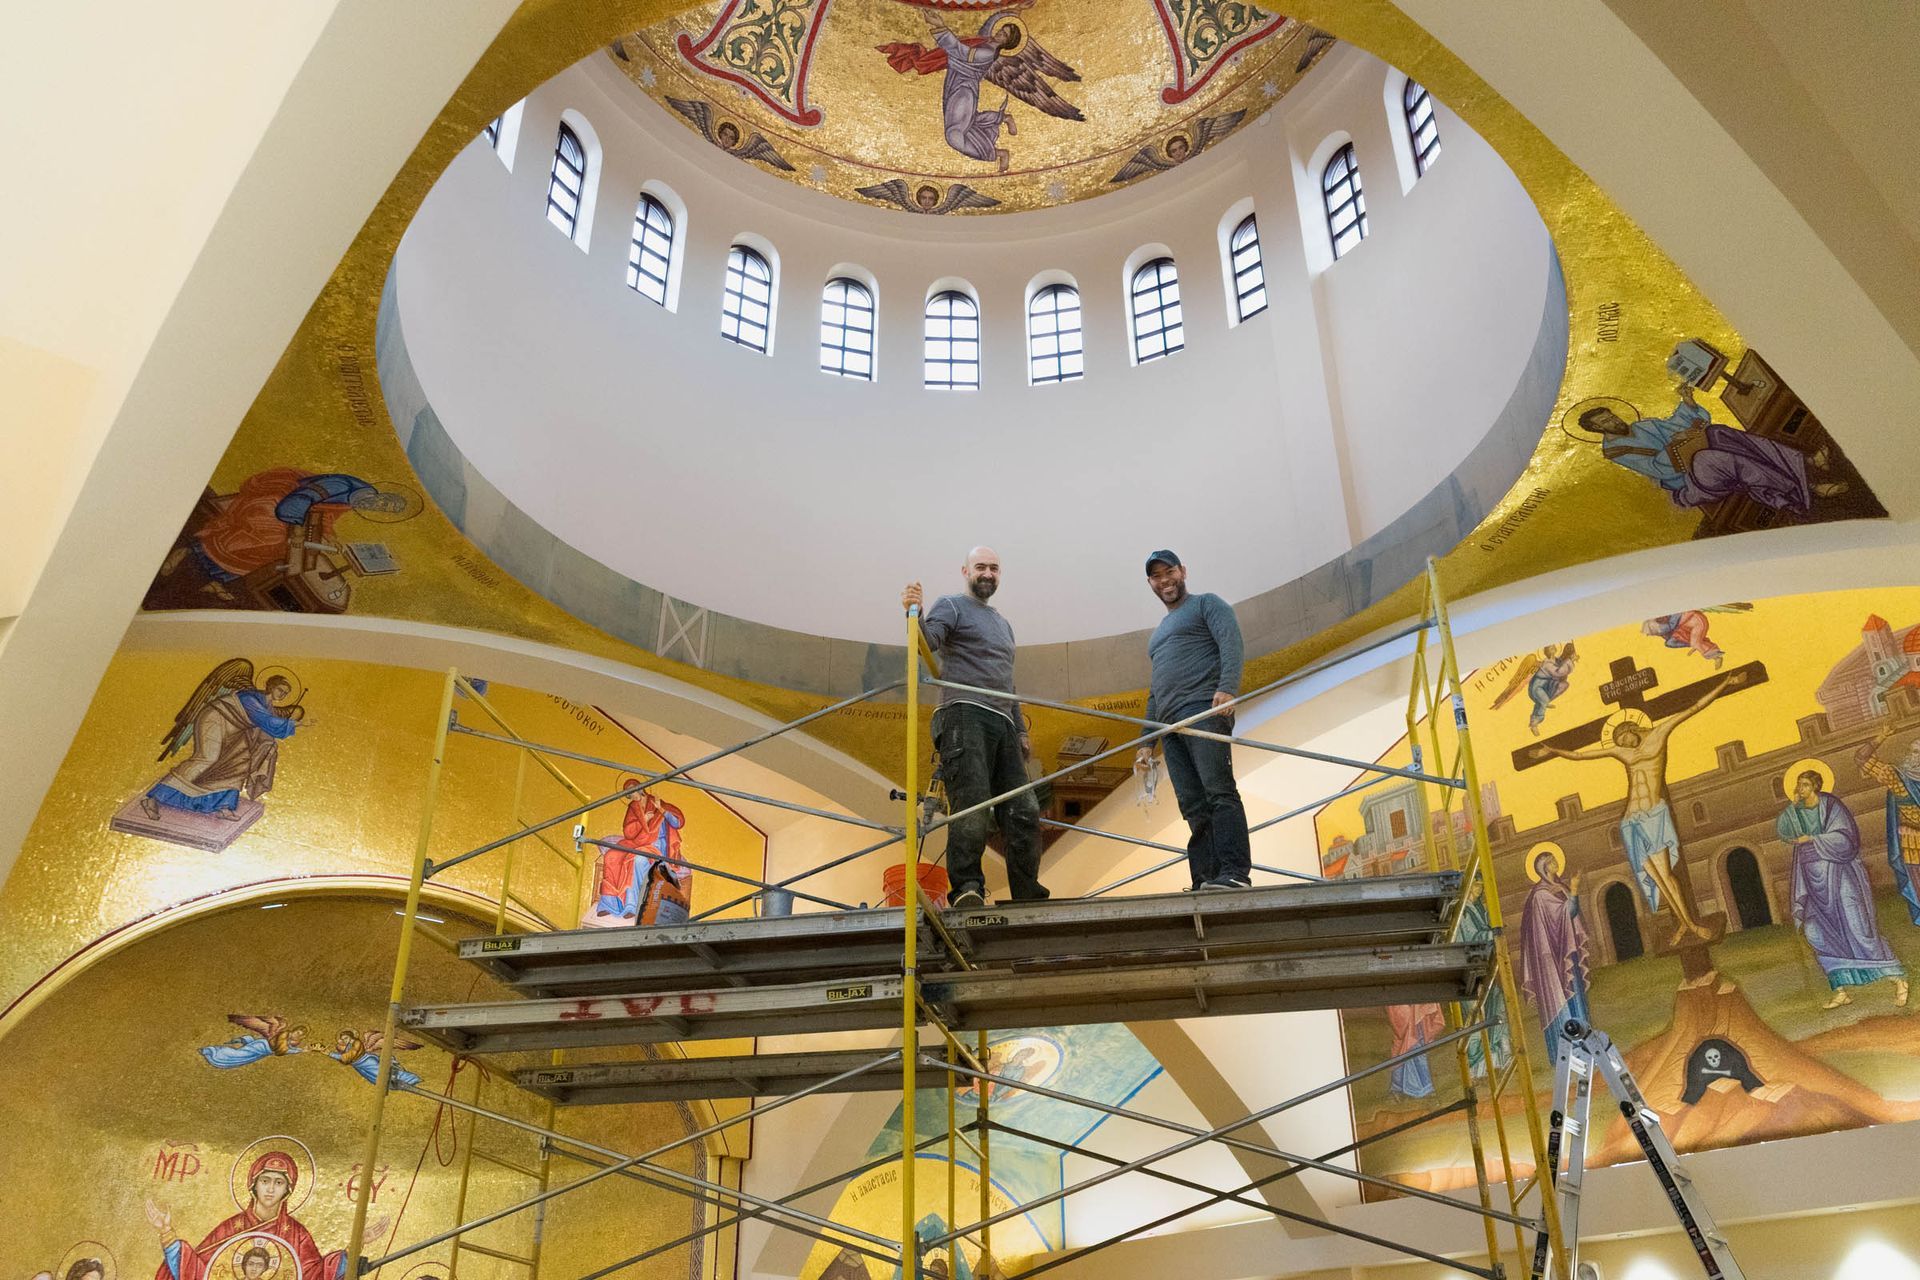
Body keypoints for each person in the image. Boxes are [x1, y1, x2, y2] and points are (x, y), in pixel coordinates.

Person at [1529, 674, 1745, 945]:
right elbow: (1583, 755)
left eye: (1623, 735)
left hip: (1654, 815)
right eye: (1617, 739)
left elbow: (1694, 707)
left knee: (1666, 875)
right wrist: (1552, 750)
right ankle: (1683, 924)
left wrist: (1727, 683)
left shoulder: (1659, 733)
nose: (1621, 741)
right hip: (1632, 820)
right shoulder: (1623, 753)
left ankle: (1689, 924)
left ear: (1633, 727)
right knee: (1655, 877)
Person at [903, 547, 1045, 907]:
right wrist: (913, 611)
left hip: (1002, 722)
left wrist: (1020, 729)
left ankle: (1027, 892)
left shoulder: (1003, 623)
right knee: (973, 803)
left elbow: (1006, 682)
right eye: (980, 567)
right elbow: (928, 643)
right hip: (964, 713)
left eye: (994, 568)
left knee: (1024, 808)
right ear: (965, 570)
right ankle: (967, 888)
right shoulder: (952, 605)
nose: (987, 573)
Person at [1133, 551, 1250, 890]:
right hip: (1169, 728)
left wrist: (1227, 688)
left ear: (1183, 571)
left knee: (1219, 792)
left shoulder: (1207, 605)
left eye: (1169, 571)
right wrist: (1145, 743)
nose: (1165, 580)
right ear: (1150, 583)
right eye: (1156, 576)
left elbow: (1231, 642)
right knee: (1192, 804)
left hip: (1202, 712)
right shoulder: (1156, 637)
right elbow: (1156, 692)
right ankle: (1205, 879)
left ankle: (1234, 873)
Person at [1581, 384, 1844, 514]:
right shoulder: (1616, 452)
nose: (1613, 421)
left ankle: (1807, 462)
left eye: (1611, 415)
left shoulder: (1644, 426)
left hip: (1695, 459)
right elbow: (1656, 468)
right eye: (1605, 422)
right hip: (1685, 485)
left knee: (1719, 432)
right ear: (1598, 430)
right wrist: (1676, 442)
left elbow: (1676, 424)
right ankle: (1803, 489)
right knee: (1712, 459)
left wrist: (1688, 402)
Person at [1780, 768, 1909, 1008]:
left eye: (1805, 785)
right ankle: (1840, 988)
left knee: (1858, 928)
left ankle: (1897, 977)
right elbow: (1784, 831)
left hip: (1840, 877)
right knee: (1815, 931)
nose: (1800, 789)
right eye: (1798, 785)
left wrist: (1814, 839)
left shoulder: (1831, 806)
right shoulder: (1796, 812)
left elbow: (1848, 839)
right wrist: (1792, 806)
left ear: (1816, 786)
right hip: (1812, 883)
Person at [147, 1152, 376, 1280]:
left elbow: (317, 1274)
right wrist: (167, 1234)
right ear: (253, 1185)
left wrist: (355, 1245)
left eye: (278, 1183)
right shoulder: (231, 1228)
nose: (270, 1189)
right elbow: (197, 1270)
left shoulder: (297, 1234)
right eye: (265, 1181)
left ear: (288, 1190)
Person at [1516, 848, 1592, 1051]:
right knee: (1561, 997)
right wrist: (1574, 890)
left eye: (1554, 859)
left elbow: (1570, 915)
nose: (1555, 863)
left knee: (1575, 994)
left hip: (1566, 952)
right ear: (1542, 868)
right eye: (1550, 861)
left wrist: (1571, 890)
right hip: (1551, 960)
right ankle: (1567, 1049)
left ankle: (1584, 1042)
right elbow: (1564, 914)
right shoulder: (1541, 895)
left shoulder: (1558, 886)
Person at [1853, 731, 1920, 927]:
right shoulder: (1898, 778)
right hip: (1914, 849)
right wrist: (1880, 736)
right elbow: (1861, 758)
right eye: (1914, 752)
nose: (1915, 757)